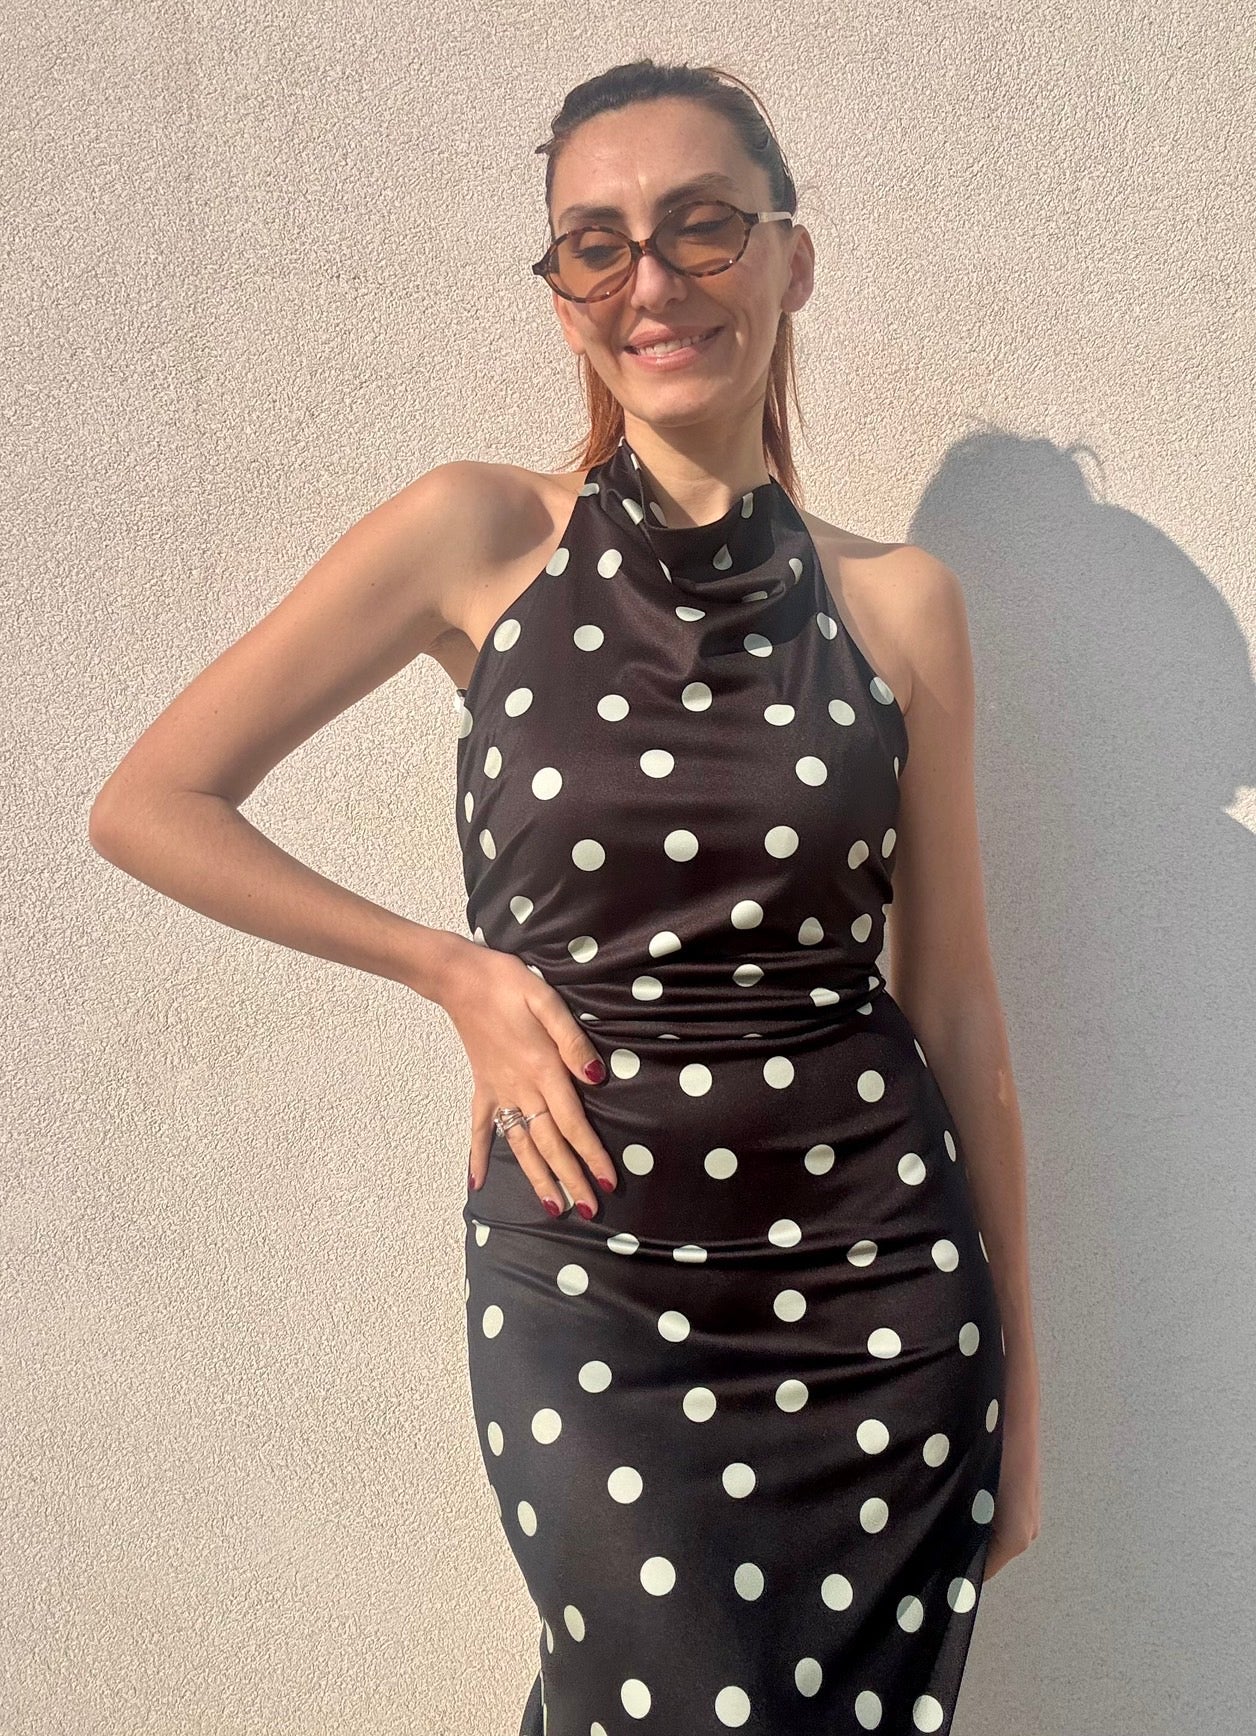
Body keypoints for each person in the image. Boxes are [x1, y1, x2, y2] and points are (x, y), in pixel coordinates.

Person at [90, 55, 1041, 1736]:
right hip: (591, 1265)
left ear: (791, 259)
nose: (652, 281)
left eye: (702, 227)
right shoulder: (477, 534)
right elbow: (153, 803)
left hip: (881, 1288)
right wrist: (450, 972)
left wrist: (1023, 1392)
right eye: (596, 245)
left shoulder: (904, 606)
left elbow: (956, 1008)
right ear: (560, 295)